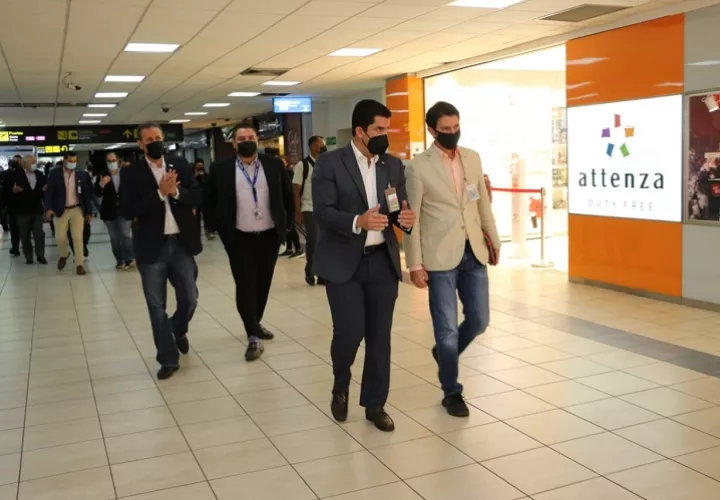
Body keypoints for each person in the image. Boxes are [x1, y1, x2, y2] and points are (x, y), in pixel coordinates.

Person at [313, 99, 415, 432]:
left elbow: (397, 208)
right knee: (349, 332)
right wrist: (358, 220)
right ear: (360, 131)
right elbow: (323, 212)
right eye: (379, 129)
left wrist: (406, 219)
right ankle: (340, 383)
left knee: (379, 336)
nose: (385, 135)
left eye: (387, 128)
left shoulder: (392, 165)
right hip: (344, 263)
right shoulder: (329, 163)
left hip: (382, 262)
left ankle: (375, 404)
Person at [406, 101, 501, 417]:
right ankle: (452, 391)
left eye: (456, 127)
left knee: (479, 320)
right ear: (432, 131)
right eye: (445, 129)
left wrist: (494, 240)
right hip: (439, 257)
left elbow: (481, 204)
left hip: (474, 252)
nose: (452, 133)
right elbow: (412, 219)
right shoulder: (418, 167)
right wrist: (415, 263)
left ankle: (444, 353)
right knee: (446, 329)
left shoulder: (472, 158)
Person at [121, 123, 202, 380]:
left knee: (190, 298)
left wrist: (175, 192)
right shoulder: (131, 173)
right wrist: (159, 193)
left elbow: (197, 196)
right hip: (151, 248)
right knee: (157, 307)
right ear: (141, 144)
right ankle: (167, 358)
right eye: (149, 139)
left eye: (158, 137)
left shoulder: (180, 164)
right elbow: (128, 209)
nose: (155, 142)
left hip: (181, 243)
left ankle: (177, 329)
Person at [206, 122, 294, 361]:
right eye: (241, 138)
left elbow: (287, 196)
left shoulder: (274, 165)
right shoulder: (221, 169)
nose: (247, 141)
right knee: (245, 285)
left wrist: (286, 226)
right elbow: (210, 200)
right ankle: (253, 334)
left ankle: (255, 322)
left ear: (257, 140)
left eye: (251, 137)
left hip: (269, 235)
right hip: (239, 237)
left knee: (263, 284)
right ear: (234, 143)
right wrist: (218, 228)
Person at [45, 152, 93, 275]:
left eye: (74, 161)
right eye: (70, 161)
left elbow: (87, 195)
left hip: (77, 209)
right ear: (64, 160)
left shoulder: (82, 174)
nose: (73, 163)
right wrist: (48, 208)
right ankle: (64, 254)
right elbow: (49, 192)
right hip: (61, 210)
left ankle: (79, 264)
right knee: (60, 237)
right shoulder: (55, 174)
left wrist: (89, 212)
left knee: (77, 238)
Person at [293, 135, 327, 286]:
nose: (323, 147)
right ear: (313, 146)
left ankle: (322, 274)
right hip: (308, 208)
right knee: (313, 241)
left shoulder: (325, 164)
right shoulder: (303, 165)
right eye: (320, 144)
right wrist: (297, 211)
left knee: (324, 241)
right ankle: (310, 270)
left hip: (325, 208)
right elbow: (296, 189)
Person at [96, 152, 134, 269]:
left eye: (113, 160)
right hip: (109, 211)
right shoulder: (102, 175)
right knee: (115, 238)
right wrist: (101, 184)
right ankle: (119, 260)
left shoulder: (126, 173)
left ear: (118, 161)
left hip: (124, 210)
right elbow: (97, 193)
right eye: (109, 161)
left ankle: (130, 258)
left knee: (125, 235)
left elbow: (133, 190)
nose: (112, 163)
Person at [12, 155, 47, 265]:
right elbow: (9, 192)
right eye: (32, 162)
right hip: (22, 211)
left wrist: (44, 190)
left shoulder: (39, 174)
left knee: (39, 234)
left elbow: (42, 190)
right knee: (25, 235)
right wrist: (14, 191)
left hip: (36, 210)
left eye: (35, 162)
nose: (34, 164)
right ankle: (28, 256)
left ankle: (40, 255)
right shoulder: (16, 175)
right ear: (24, 164)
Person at [1, 155, 23, 256]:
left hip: (13, 204)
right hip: (19, 204)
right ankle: (18, 247)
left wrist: (3, 204)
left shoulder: (5, 174)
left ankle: (15, 247)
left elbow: (3, 190)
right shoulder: (23, 173)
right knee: (19, 226)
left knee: (15, 227)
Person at [193, 159, 216, 241]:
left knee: (208, 217)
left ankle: (209, 231)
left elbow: (209, 186)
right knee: (196, 218)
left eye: (201, 165)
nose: (200, 167)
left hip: (205, 199)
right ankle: (196, 234)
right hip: (195, 199)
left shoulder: (206, 176)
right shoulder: (192, 176)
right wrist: (195, 176)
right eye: (198, 166)